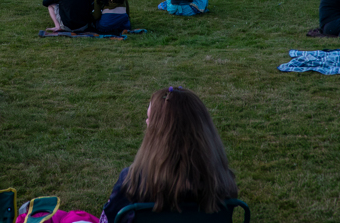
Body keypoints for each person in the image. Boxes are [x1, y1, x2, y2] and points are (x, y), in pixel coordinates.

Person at [99, 86, 237, 223]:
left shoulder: (133, 181)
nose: (146, 123)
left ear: (159, 132)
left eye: (150, 119)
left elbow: (108, 220)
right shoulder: (222, 180)